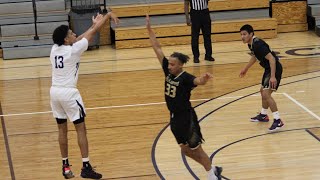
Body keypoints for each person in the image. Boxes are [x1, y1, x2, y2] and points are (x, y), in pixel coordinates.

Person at [146, 14, 222, 180]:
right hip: (174, 118)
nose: (170, 66)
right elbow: (157, 49)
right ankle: (213, 168)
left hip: (186, 117)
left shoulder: (186, 77)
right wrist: (150, 31)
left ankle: (212, 175)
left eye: (173, 64)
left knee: (196, 149)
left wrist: (205, 78)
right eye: (169, 64)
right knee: (185, 150)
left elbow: (198, 81)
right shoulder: (167, 71)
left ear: (180, 65)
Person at [50, 12, 119, 179]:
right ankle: (86, 166)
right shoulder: (73, 50)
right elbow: (92, 34)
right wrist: (107, 15)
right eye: (71, 33)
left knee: (62, 129)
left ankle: (65, 167)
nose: (74, 34)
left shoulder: (55, 48)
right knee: (81, 129)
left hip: (54, 93)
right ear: (66, 39)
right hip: (69, 93)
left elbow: (81, 37)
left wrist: (92, 25)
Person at [239, 24, 284, 132]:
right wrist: (246, 68)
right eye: (241, 35)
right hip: (268, 69)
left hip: (274, 69)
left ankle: (278, 120)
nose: (242, 37)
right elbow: (255, 56)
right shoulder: (251, 44)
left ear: (251, 34)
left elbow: (272, 59)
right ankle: (263, 115)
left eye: (244, 34)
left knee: (266, 94)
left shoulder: (258, 44)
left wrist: (273, 77)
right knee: (262, 91)